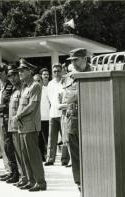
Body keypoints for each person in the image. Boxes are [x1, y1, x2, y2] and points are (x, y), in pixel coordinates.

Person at [64, 48, 92, 191]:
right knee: (75, 155)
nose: (73, 63)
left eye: (76, 60)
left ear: (85, 59)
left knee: (90, 154)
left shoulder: (94, 73)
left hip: (89, 120)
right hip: (71, 120)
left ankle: (91, 181)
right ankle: (79, 183)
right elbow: (65, 97)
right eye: (71, 61)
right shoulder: (69, 76)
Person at [16, 58, 46, 192]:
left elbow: (32, 105)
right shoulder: (24, 86)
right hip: (22, 126)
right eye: (19, 71)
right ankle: (30, 180)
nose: (20, 73)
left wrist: (18, 115)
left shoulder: (35, 86)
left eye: (22, 70)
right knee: (25, 155)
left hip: (30, 126)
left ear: (30, 71)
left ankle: (40, 182)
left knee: (33, 155)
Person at [0, 64, 19, 183]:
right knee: (6, 147)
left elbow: (12, 104)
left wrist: (0, 107)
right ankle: (11, 171)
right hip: (3, 118)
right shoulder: (3, 86)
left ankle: (15, 172)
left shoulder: (10, 86)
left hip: (9, 118)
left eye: (0, 75)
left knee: (10, 146)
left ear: (5, 72)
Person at [6, 64, 27, 188]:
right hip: (13, 127)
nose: (12, 78)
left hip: (20, 126)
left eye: (14, 75)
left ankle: (25, 177)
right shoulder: (14, 90)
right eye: (9, 76)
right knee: (18, 154)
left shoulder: (23, 89)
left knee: (23, 154)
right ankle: (22, 176)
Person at [45, 63, 69, 166]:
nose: (56, 73)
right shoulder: (50, 84)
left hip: (63, 113)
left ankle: (64, 159)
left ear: (62, 71)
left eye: (58, 71)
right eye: (54, 71)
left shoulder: (65, 82)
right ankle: (50, 159)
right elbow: (49, 98)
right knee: (52, 138)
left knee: (64, 138)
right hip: (53, 113)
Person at [38, 68, 50, 162]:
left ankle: (48, 155)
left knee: (47, 138)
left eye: (47, 74)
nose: (46, 75)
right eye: (44, 74)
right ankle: (42, 156)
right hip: (40, 117)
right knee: (40, 139)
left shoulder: (50, 86)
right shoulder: (39, 88)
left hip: (49, 117)